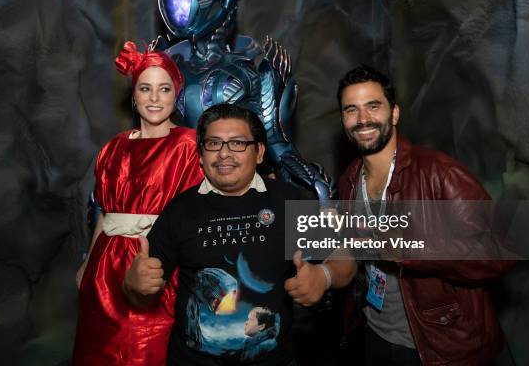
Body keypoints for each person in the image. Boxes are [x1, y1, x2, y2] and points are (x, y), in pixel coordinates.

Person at [122, 103, 356, 365]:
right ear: (200, 155)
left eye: (237, 143)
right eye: (213, 143)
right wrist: (134, 283)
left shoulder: (288, 200)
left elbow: (345, 259)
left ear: (259, 152)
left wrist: (324, 276)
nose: (224, 154)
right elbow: (139, 290)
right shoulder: (180, 210)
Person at [335, 65, 514, 365]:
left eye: (373, 106)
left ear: (393, 114)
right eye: (351, 110)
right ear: (343, 119)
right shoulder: (348, 181)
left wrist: (411, 247)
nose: (362, 119)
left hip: (441, 348)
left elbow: (500, 250)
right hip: (374, 335)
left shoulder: (439, 173)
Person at [72, 42, 204, 366]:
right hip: (105, 270)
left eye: (164, 89)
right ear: (135, 95)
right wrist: (88, 264)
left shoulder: (190, 145)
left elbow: (199, 216)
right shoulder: (112, 148)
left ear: (177, 94)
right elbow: (104, 211)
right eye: (146, 89)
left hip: (157, 266)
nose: (155, 98)